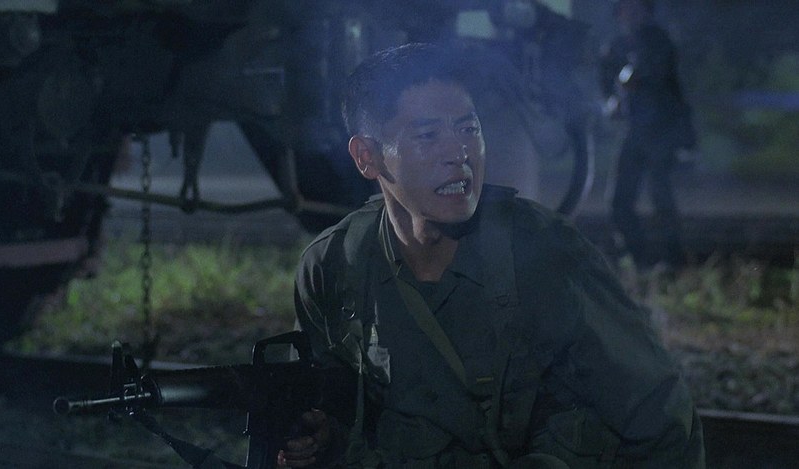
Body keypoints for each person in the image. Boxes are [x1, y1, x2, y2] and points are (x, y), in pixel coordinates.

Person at [280, 42, 704, 468]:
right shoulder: (336, 265)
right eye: (428, 135)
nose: (458, 153)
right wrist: (316, 438)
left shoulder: (546, 252)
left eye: (469, 129)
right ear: (367, 158)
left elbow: (661, 416)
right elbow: (323, 405)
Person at [600, 0, 697, 271]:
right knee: (620, 200)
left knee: (660, 196)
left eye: (637, 8)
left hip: (660, 131)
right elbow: (608, 85)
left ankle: (673, 260)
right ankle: (638, 259)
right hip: (634, 131)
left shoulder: (659, 41)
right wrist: (612, 102)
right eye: (626, 8)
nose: (631, 14)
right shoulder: (616, 45)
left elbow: (650, 75)